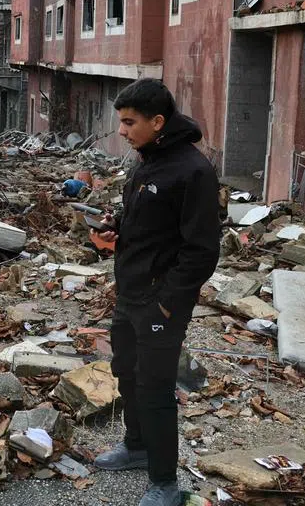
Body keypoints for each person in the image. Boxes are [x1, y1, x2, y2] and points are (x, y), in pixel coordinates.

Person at [93, 79, 220, 506]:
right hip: (129, 293)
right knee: (126, 373)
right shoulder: (146, 160)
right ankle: (136, 445)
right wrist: (117, 225)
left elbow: (201, 251)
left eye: (130, 122)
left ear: (158, 121)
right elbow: (149, 220)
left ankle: (164, 481)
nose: (123, 131)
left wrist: (166, 302)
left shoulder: (193, 171)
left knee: (156, 387)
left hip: (159, 304)